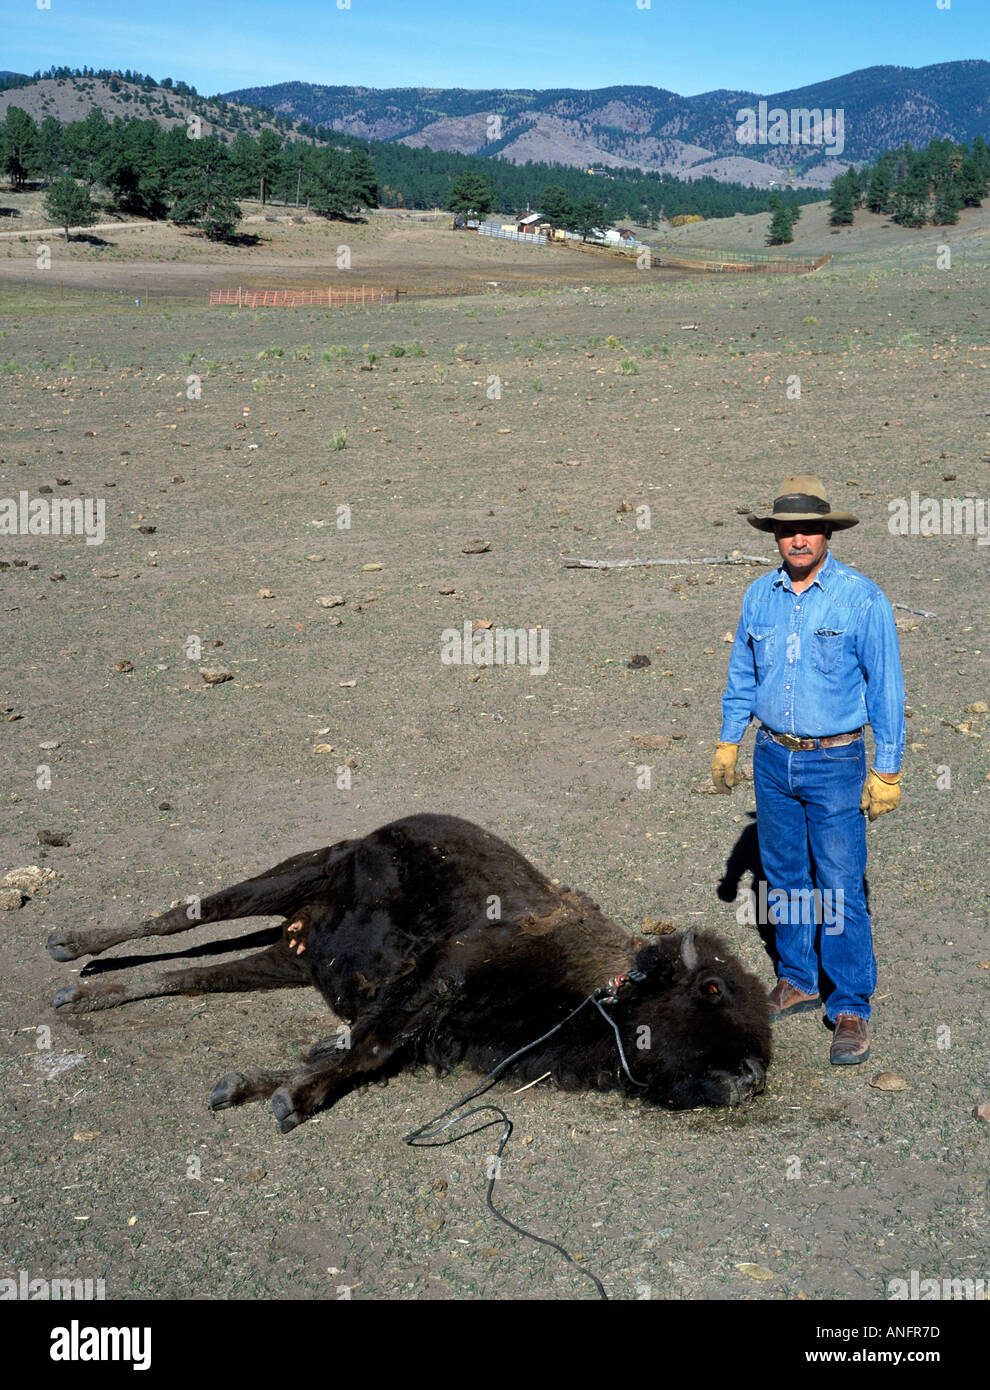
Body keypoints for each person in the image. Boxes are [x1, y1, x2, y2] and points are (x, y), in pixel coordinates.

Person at [712, 475, 905, 1065]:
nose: (798, 539)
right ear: (774, 536)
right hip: (773, 757)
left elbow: (887, 689)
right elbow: (743, 675)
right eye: (787, 530)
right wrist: (729, 740)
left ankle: (850, 1005)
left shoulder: (860, 598)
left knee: (840, 882)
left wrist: (887, 769)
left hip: (837, 761)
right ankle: (797, 977)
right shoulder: (758, 597)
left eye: (809, 530)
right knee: (786, 873)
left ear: (827, 533)